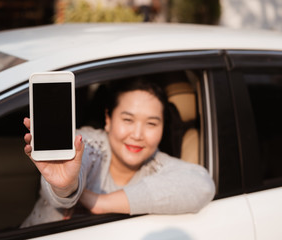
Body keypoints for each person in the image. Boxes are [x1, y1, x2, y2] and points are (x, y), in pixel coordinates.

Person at [20, 78, 215, 227]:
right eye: (128, 120)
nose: (137, 135)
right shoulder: (87, 145)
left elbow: (202, 185)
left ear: (163, 127)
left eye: (152, 123)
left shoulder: (157, 164)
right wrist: (67, 187)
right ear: (108, 119)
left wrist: (98, 202)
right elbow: (60, 180)